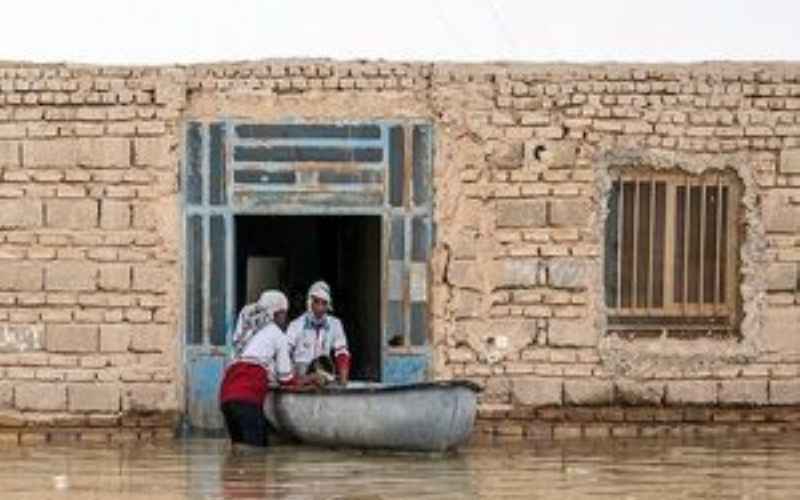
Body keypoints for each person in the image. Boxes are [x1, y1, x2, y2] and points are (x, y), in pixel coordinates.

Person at [219, 290, 317, 448]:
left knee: (238, 451)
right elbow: (286, 379)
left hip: (226, 395)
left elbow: (252, 361)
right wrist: (310, 379)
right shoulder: (277, 334)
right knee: (257, 454)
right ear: (276, 313)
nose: (285, 319)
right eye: (284, 314)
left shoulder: (246, 329)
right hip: (247, 398)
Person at [287, 281, 351, 385]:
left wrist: (343, 378)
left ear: (328, 305)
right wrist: (296, 377)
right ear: (309, 302)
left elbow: (342, 352)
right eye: (316, 302)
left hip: (324, 376)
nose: (320, 308)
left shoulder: (335, 324)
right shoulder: (295, 325)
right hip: (300, 378)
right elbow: (285, 353)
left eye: (324, 303)